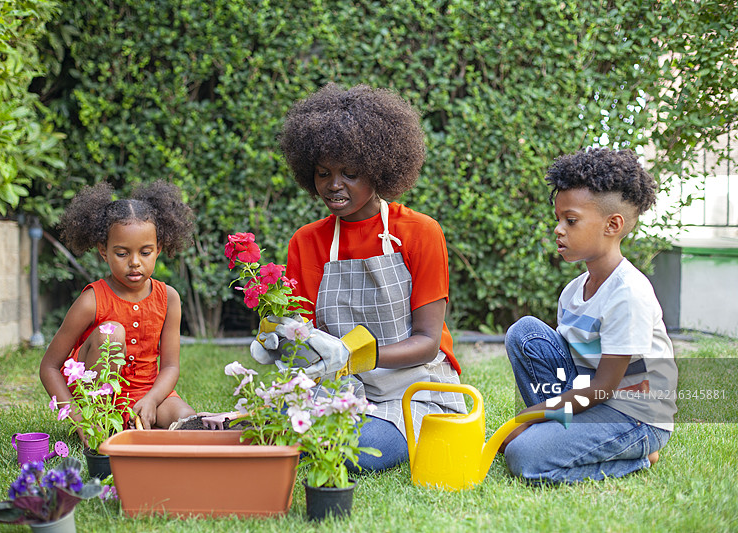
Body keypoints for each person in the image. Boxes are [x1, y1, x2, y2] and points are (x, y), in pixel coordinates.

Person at [269, 82, 467, 472]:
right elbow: (303, 336)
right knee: (272, 428)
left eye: (350, 173)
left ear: (380, 170)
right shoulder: (306, 242)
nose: (334, 185)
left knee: (356, 449)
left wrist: (352, 355)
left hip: (412, 388)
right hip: (336, 388)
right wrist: (278, 338)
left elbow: (427, 344)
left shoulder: (420, 232)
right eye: (323, 173)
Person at [501, 148, 678, 483]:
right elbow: (565, 365)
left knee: (523, 457)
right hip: (590, 398)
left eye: (571, 221)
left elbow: (603, 388)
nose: (558, 229)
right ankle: (557, 435)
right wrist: (541, 417)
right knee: (525, 332)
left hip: (633, 415)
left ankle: (640, 455)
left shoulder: (628, 294)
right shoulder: (573, 291)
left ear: (613, 225)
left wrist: (529, 416)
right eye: (558, 219)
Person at [39, 181, 196, 438]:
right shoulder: (91, 300)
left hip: (149, 393)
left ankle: (140, 422)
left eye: (145, 252)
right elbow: (49, 367)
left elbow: (170, 367)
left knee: (188, 420)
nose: (135, 262)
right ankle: (101, 422)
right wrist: (80, 420)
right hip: (99, 401)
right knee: (111, 333)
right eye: (122, 253)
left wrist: (152, 400)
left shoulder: (169, 298)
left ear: (158, 249)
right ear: (104, 251)